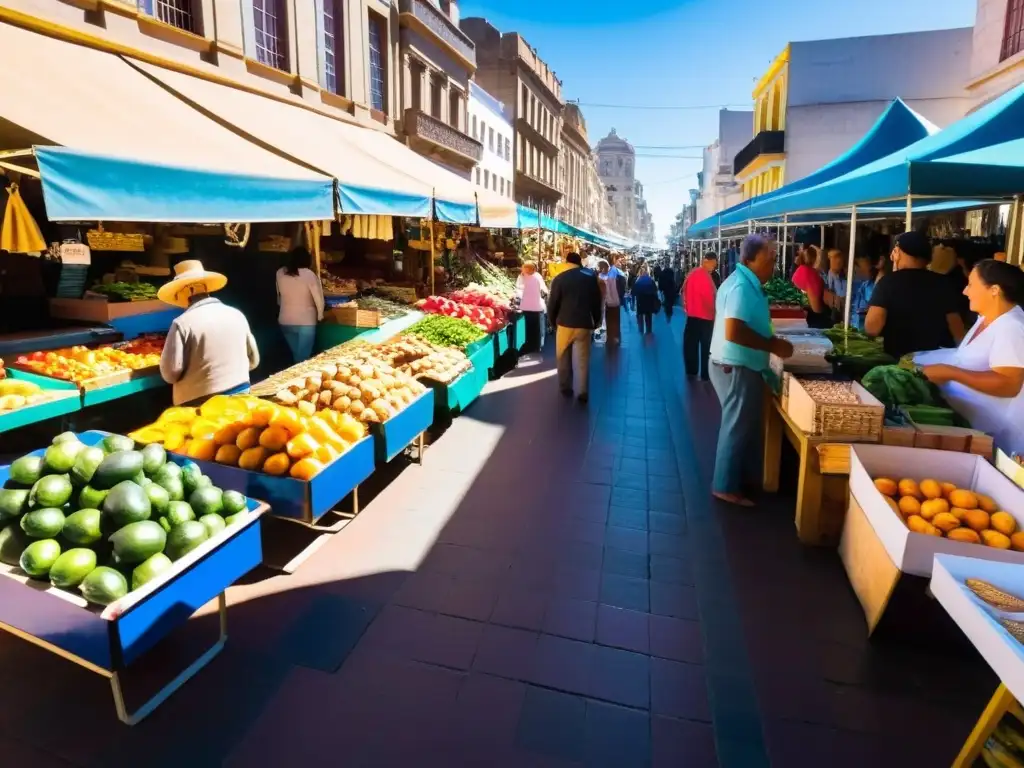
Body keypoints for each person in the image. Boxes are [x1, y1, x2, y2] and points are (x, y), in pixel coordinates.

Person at [709, 235, 794, 507]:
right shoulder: (742, 287)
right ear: (749, 260)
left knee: (740, 424)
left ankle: (735, 477)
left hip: (738, 364)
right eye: (768, 259)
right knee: (735, 426)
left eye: (773, 259)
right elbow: (733, 331)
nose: (772, 265)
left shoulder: (744, 283)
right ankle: (724, 485)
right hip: (736, 365)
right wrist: (771, 344)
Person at [918, 260, 1024, 456]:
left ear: (994, 290)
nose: (965, 291)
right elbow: (966, 358)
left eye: (971, 284)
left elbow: (1010, 384)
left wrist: (951, 373)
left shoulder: (1012, 327)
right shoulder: (985, 318)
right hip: (975, 429)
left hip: (1000, 438)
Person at [158, 260, 260, 407]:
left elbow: (170, 373)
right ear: (206, 288)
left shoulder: (181, 323)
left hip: (200, 404)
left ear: (184, 291)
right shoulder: (236, 314)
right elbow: (254, 361)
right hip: (242, 393)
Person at [865, 231, 966, 359]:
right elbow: (957, 329)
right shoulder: (943, 283)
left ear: (899, 252)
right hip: (937, 362)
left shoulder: (887, 283)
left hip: (901, 363)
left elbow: (872, 328)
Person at [547, 252, 602, 403]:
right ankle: (583, 391)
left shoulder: (560, 278)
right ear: (580, 263)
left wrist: (553, 322)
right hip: (584, 323)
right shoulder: (591, 277)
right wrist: (597, 320)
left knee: (562, 355)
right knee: (583, 359)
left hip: (564, 323)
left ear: (567, 262)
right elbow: (597, 302)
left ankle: (565, 387)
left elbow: (552, 304)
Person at [276, 247, 325, 364]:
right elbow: (319, 299)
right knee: (302, 358)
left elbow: (279, 298)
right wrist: (320, 316)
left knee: (297, 357)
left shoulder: (279, 273)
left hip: (285, 320)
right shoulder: (308, 274)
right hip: (306, 322)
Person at [682, 253, 717, 380]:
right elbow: (710, 298)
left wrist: (687, 307)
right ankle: (705, 373)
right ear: (706, 261)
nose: (714, 267)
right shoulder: (706, 277)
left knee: (690, 344)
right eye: (713, 264)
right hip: (706, 317)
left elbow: (683, 291)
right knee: (706, 347)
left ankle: (691, 370)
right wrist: (714, 312)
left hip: (692, 316)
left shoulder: (692, 274)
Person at [791, 247, 829, 328]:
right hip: (814, 317)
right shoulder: (810, 274)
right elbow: (816, 308)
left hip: (805, 314)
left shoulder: (800, 270)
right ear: (814, 259)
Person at [515, 261, 548, 353]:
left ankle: (534, 345)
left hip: (532, 307)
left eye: (526, 268)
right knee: (533, 327)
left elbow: (543, 290)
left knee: (533, 327)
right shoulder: (523, 277)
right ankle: (535, 345)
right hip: (531, 307)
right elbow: (518, 289)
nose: (524, 270)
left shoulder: (535, 277)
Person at [597, 259, 627, 345]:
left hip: (609, 302)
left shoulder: (603, 277)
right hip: (615, 302)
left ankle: (611, 338)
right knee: (615, 321)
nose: (599, 269)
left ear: (604, 267)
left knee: (610, 321)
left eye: (600, 267)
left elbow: (603, 291)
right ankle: (615, 338)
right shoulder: (617, 272)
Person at [850, 254, 877, 331]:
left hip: (862, 329)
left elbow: (872, 307)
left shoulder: (869, 286)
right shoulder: (858, 284)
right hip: (854, 326)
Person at [632, 265, 660, 335]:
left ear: (640, 273)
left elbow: (633, 293)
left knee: (640, 316)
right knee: (648, 317)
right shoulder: (651, 280)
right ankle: (649, 331)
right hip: (649, 302)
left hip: (640, 302)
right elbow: (655, 291)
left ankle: (641, 331)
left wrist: (632, 304)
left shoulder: (637, 281)